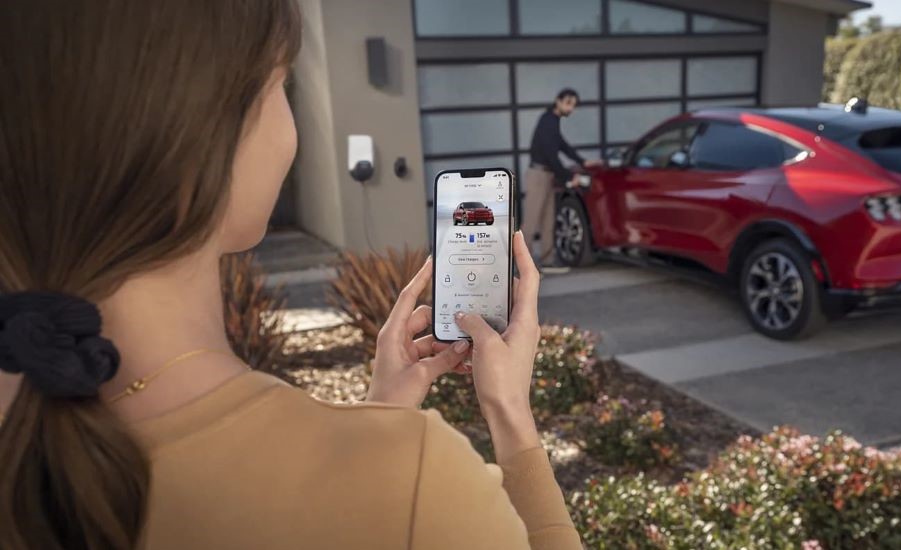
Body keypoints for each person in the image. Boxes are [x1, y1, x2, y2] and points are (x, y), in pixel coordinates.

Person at [0, 2, 582, 549]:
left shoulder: (24, 429)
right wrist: (508, 414)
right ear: (205, 137)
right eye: (283, 83)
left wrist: (380, 417)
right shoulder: (417, 485)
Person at [523, 88, 603, 268]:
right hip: (538, 175)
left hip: (547, 175)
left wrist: (583, 161)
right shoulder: (547, 121)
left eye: (573, 105)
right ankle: (523, 266)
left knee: (548, 220)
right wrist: (569, 177)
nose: (570, 109)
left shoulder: (553, 121)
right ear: (558, 101)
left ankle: (547, 261)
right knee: (531, 222)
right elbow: (551, 155)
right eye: (568, 103)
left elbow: (563, 146)